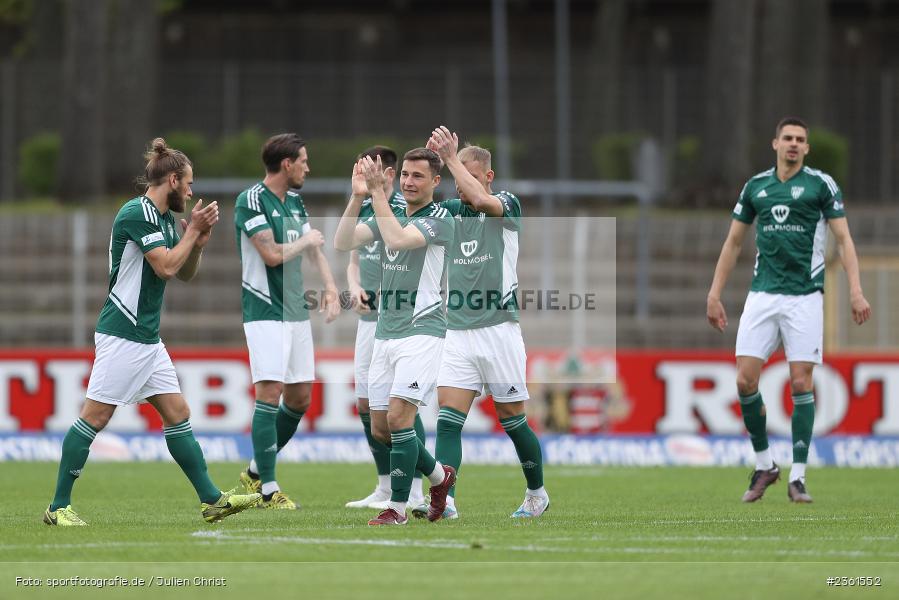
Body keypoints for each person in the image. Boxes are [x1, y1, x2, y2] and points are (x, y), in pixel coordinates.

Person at [43, 138, 261, 526]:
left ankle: (212, 499)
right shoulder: (137, 211)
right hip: (124, 333)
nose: (192, 192)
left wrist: (198, 243)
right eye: (189, 183)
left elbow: (184, 272)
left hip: (147, 337)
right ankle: (58, 507)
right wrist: (191, 233)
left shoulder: (161, 218)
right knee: (94, 417)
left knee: (177, 412)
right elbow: (163, 267)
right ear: (173, 179)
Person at [707, 116, 871, 503]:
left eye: (800, 139)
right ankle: (765, 465)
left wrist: (856, 290)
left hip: (804, 297)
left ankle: (798, 476)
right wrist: (715, 293)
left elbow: (844, 240)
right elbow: (732, 243)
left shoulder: (821, 186)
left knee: (800, 382)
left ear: (807, 148)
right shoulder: (756, 188)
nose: (794, 144)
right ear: (775, 144)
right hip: (763, 295)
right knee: (745, 381)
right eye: (788, 138)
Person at [416, 127, 548, 520]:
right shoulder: (454, 213)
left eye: (466, 176)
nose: (460, 186)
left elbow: (479, 198)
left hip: (499, 331)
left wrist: (452, 159)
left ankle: (537, 493)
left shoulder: (506, 204)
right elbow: (421, 212)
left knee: (513, 420)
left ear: (487, 177)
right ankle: (446, 499)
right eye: (454, 180)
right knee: (448, 420)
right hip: (456, 331)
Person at [335, 148, 456, 526]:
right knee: (381, 426)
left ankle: (398, 509)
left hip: (422, 330)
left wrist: (377, 195)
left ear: (436, 182)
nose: (408, 182)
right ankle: (440, 477)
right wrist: (358, 196)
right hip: (385, 330)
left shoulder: (441, 218)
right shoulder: (391, 209)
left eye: (418, 176)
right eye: (404, 175)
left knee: (402, 419)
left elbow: (399, 240)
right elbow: (342, 242)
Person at [234, 133, 341, 509]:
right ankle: (267, 489)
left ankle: (252, 470)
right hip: (265, 310)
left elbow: (312, 250)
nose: (308, 168)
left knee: (299, 399)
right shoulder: (251, 201)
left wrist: (329, 286)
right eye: (304, 161)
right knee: (269, 394)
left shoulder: (294, 202)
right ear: (286, 164)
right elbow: (271, 254)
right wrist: (307, 239)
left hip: (295, 312)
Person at [342, 146, 428, 511]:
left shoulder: (401, 213)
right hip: (369, 324)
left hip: (403, 323)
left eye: (370, 170)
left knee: (403, 410)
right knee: (368, 406)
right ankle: (383, 485)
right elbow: (351, 258)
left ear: (389, 174)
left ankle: (416, 489)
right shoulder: (364, 208)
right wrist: (353, 286)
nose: (364, 175)